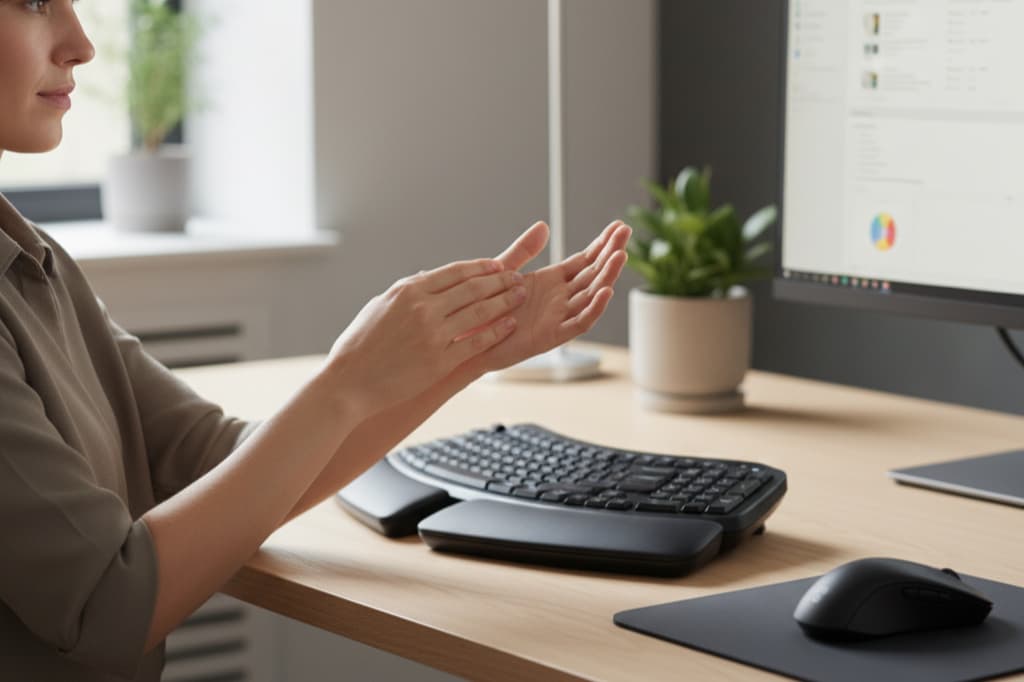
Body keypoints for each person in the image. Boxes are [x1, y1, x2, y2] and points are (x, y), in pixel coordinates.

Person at [0, 1, 631, 680]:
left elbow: (225, 461)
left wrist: (468, 348)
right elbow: (107, 607)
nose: (81, 44)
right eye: (34, 1)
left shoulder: (35, 260)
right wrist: (347, 379)